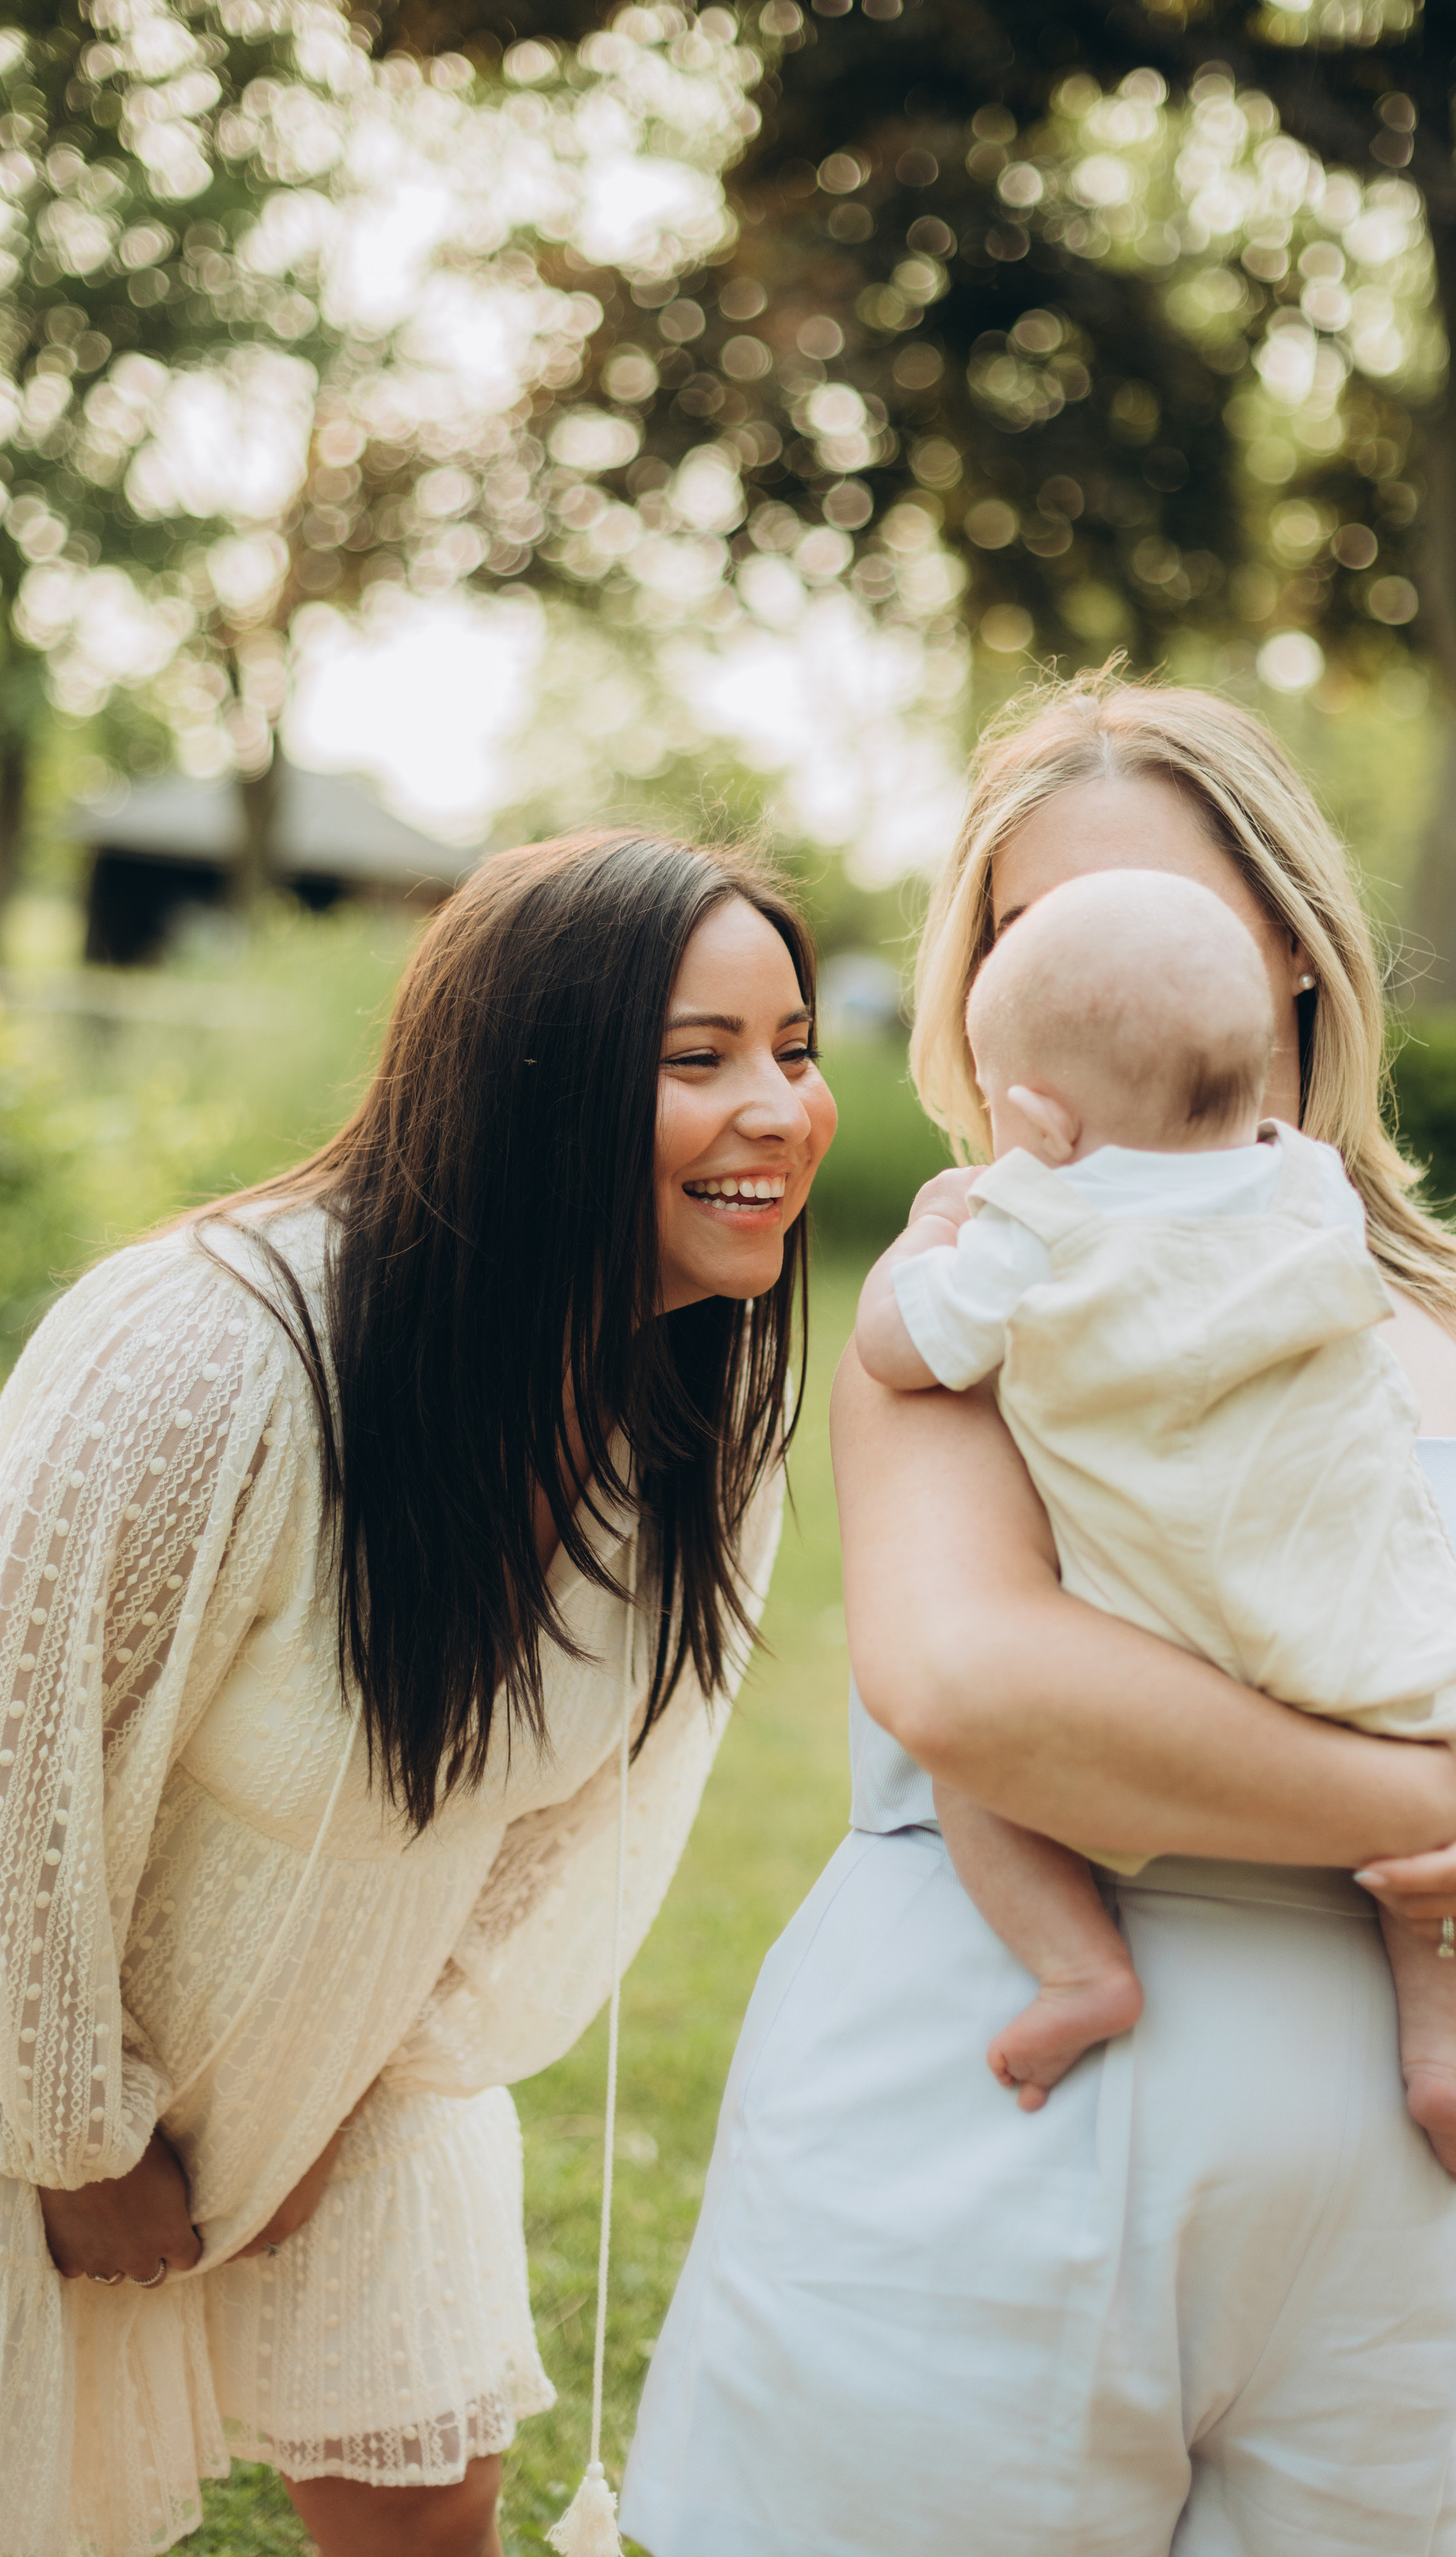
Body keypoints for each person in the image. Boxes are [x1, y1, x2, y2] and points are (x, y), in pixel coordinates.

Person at [622, 674, 1456, 2557]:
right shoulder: (988, 1271)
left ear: (1285, 949)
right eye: (1023, 926)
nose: (1080, 956)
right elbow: (977, 1685)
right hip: (970, 2163)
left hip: (1368, 2255)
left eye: (1149, 906)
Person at [0, 830, 836, 2557]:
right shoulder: (213, 1355)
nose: (781, 1110)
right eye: (699, 1060)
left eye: (795, 1048)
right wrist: (76, 2135)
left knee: (428, 2507)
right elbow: (18, 1764)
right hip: (35, 2058)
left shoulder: (688, 1424)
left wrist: (357, 2078)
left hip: (357, 2060)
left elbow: (570, 1827)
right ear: (528, 1086)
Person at [855, 864, 1456, 2187]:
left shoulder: (1033, 1228)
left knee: (973, 1779)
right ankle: (1445, 2059)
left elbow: (899, 1346)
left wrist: (929, 1234)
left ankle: (1079, 1967)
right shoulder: (1310, 1193)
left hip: (1154, 1633)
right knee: (1453, 1832)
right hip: (1346, 1618)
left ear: (1038, 1119)